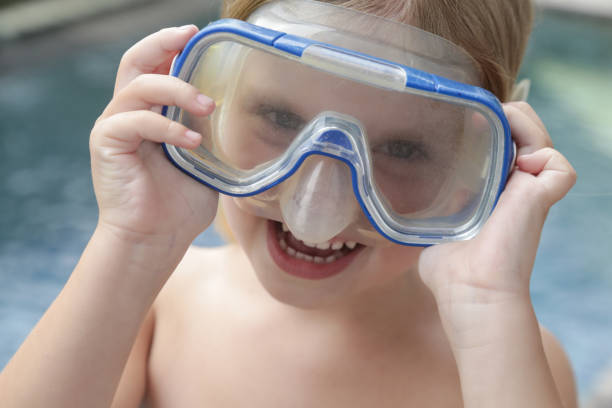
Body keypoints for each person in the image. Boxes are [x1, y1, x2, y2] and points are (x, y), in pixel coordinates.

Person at [0, 0, 578, 406]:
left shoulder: (505, 358)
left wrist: (485, 304)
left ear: (484, 166)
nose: (314, 210)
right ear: (208, 96)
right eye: (279, 118)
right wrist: (133, 242)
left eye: (403, 149)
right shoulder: (154, 309)